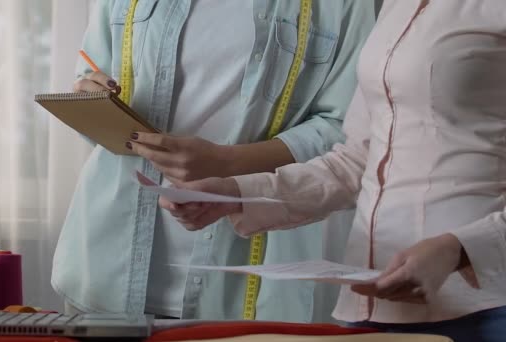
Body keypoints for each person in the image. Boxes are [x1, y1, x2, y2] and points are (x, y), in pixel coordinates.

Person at [160, 0, 506, 340]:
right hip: (373, 300)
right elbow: (357, 158)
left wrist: (456, 249)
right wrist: (237, 192)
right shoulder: (396, 6)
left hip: (483, 305)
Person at [52, 0, 377, 321]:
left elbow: (345, 133)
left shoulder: (343, 6)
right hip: (106, 275)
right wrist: (89, 96)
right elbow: (92, 76)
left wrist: (227, 162)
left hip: (253, 280)